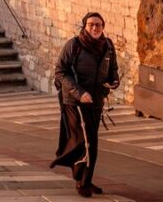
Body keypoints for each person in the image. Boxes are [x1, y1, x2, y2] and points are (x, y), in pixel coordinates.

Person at [51, 12, 120, 198]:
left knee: (92, 143)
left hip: (96, 101)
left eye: (98, 24)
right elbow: (60, 72)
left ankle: (85, 180)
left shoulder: (108, 46)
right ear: (84, 26)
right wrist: (80, 93)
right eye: (91, 25)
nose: (95, 28)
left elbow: (113, 71)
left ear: (103, 26)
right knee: (85, 141)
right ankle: (82, 182)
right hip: (74, 102)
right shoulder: (74, 45)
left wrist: (113, 83)